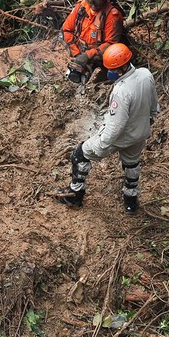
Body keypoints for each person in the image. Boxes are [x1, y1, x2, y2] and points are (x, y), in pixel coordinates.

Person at [54, 43, 158, 214]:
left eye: (114, 69)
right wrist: (147, 122)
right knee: (132, 165)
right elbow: (153, 107)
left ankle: (75, 194)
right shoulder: (146, 74)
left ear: (122, 67)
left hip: (119, 137)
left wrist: (99, 144)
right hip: (140, 134)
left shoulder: (121, 90)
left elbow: (115, 127)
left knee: (80, 154)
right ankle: (131, 202)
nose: (111, 72)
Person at [61, 0, 125, 83]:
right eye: (90, 0)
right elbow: (66, 30)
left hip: (99, 57)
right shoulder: (81, 7)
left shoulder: (112, 16)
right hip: (80, 51)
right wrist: (76, 54)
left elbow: (111, 44)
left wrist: (88, 56)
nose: (93, 5)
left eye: (98, 1)